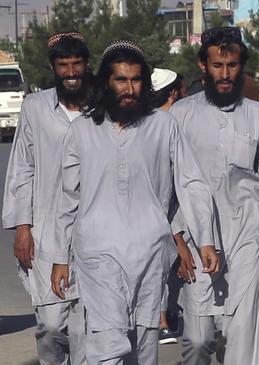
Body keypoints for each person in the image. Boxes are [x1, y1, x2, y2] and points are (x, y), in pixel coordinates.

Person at [46, 40, 219, 365]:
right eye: (121, 80)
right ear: (105, 82)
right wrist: (59, 258)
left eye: (136, 80)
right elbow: (66, 199)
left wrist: (205, 238)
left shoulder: (163, 126)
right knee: (109, 339)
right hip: (98, 253)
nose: (129, 88)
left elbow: (190, 183)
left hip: (150, 253)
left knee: (143, 345)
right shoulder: (83, 130)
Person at [169, 26, 259, 365]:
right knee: (198, 340)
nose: (225, 74)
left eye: (232, 65)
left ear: (242, 66)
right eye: (217, 65)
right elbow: (172, 187)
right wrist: (178, 242)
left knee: (245, 340)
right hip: (195, 241)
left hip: (249, 240)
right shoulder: (181, 115)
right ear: (202, 66)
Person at [2, 31, 91, 365]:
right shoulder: (35, 108)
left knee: (85, 329)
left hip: (92, 233)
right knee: (52, 326)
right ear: (53, 68)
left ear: (87, 65)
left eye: (77, 64)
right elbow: (22, 169)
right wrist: (22, 227)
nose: (71, 72)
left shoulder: (101, 107)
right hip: (46, 234)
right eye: (63, 65)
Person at [151, 67, 186, 345]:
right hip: (167, 205)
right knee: (162, 266)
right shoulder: (170, 121)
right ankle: (162, 321)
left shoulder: (150, 120)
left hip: (165, 204)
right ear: (173, 92)